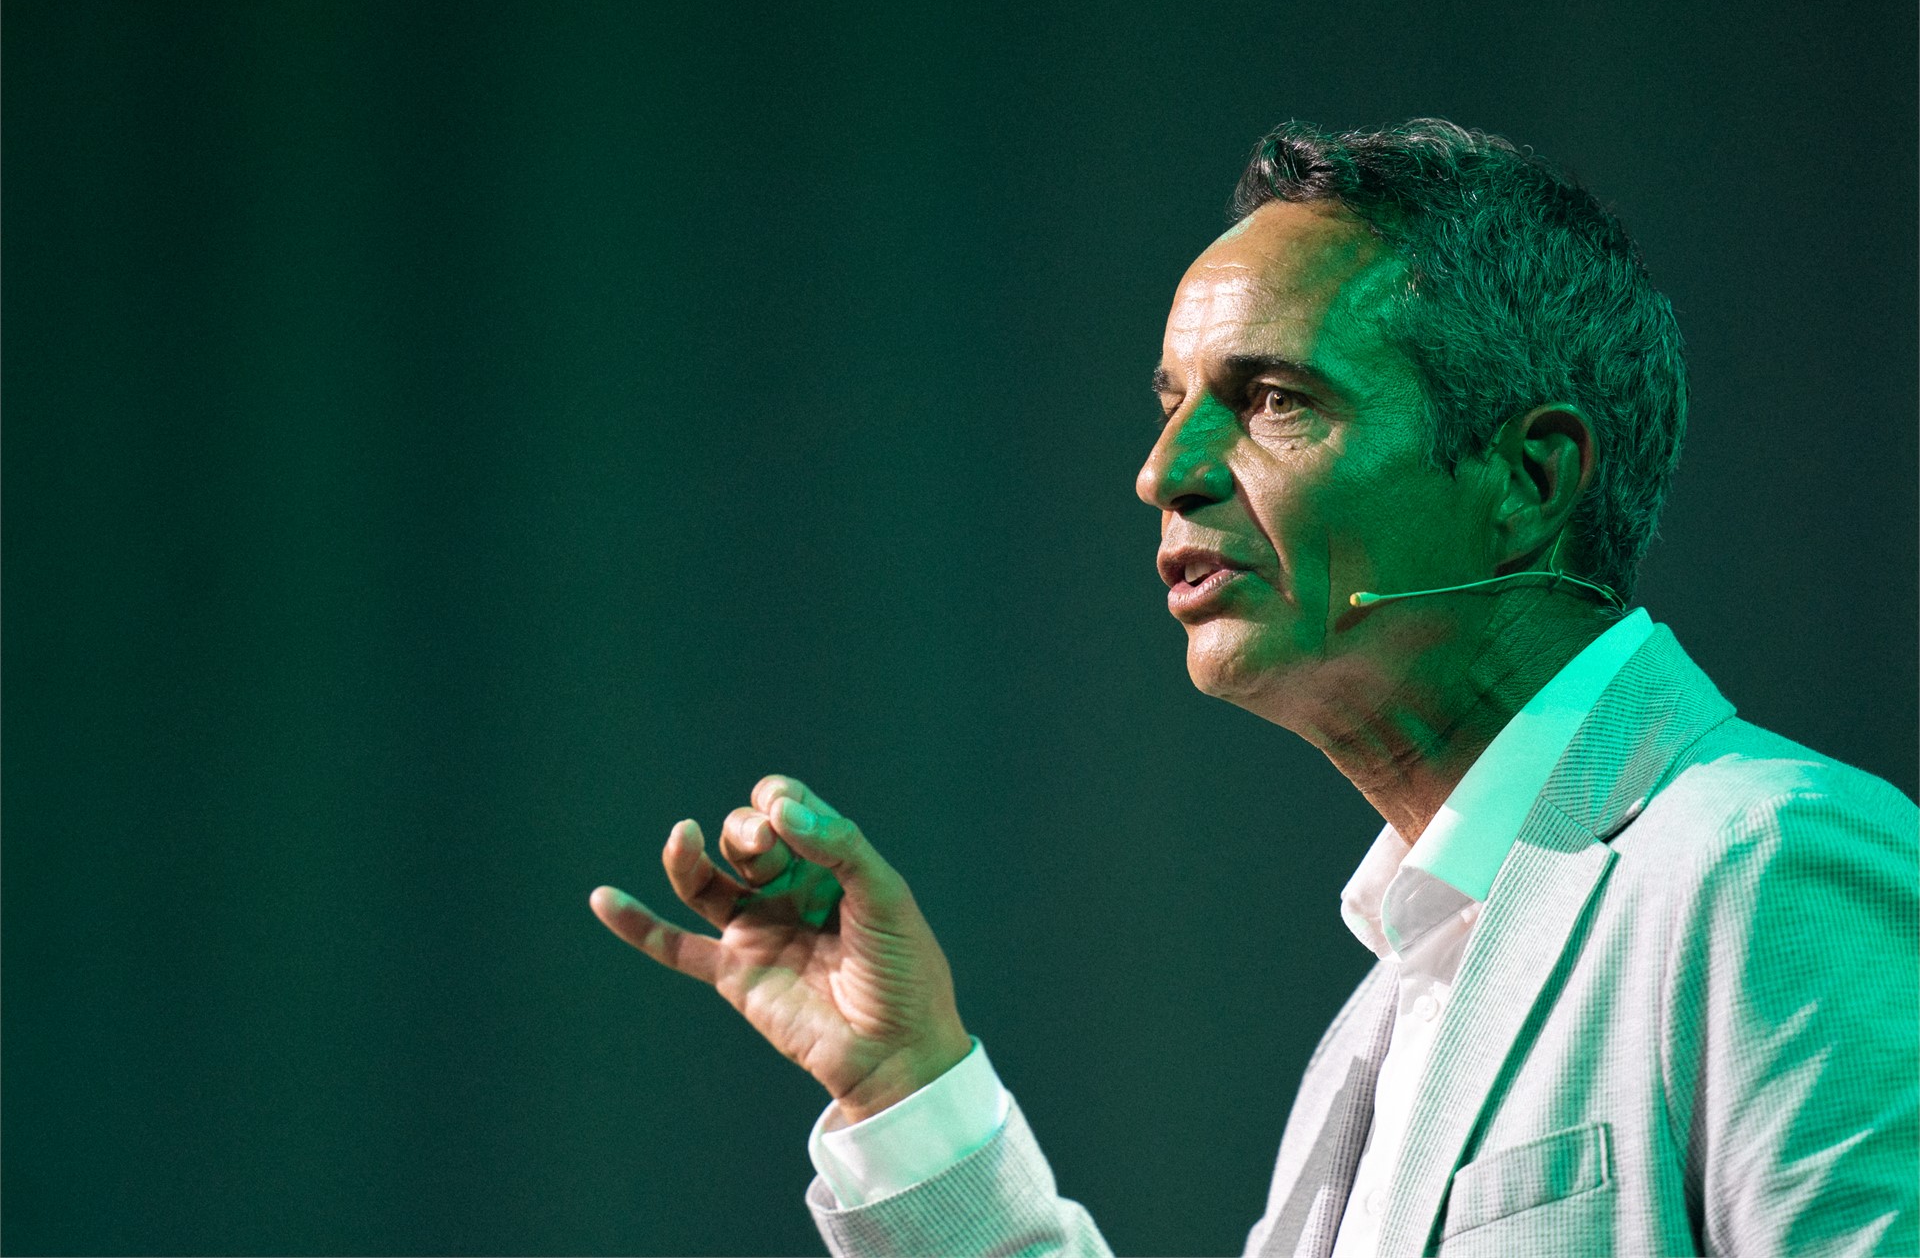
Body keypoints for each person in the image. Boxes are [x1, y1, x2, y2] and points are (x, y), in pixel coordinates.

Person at [588, 119, 1920, 1257]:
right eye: (1171, 403)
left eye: (1273, 398)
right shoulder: (1379, 1023)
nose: (1165, 472)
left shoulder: (1769, 864)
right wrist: (907, 1087)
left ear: (1528, 478)